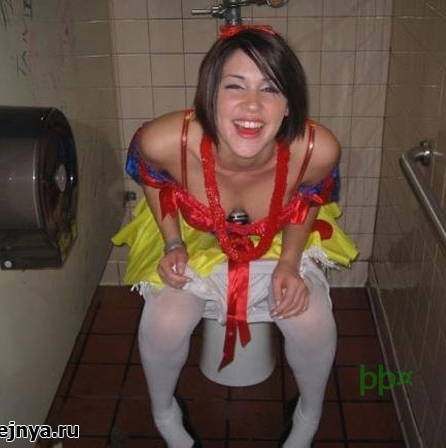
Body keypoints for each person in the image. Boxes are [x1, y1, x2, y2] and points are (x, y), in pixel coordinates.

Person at [113, 25, 358, 448]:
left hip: (280, 231)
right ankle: (164, 413)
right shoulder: (168, 140)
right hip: (192, 227)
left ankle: (309, 416)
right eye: (235, 85)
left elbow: (309, 197)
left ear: (289, 104)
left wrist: (289, 264)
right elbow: (150, 176)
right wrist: (172, 242)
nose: (252, 105)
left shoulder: (315, 150)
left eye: (271, 88)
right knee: (166, 322)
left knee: (312, 320)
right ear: (209, 94)